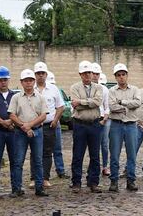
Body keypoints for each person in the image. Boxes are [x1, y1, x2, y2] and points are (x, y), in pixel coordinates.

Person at [9, 69, 48, 197]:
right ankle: (16, 188)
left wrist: (30, 125)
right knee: (18, 160)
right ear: (21, 82)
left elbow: (43, 116)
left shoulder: (41, 97)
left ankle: (39, 188)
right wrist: (23, 126)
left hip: (37, 131)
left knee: (38, 160)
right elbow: (12, 115)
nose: (28, 83)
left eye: (31, 80)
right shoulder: (16, 97)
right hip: (20, 132)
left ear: (34, 81)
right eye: (26, 81)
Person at [69, 61, 104, 193]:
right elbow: (75, 105)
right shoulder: (74, 88)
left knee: (95, 155)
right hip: (80, 124)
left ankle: (93, 182)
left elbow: (98, 102)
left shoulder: (98, 88)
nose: (87, 75)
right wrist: (88, 103)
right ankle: (76, 182)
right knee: (78, 154)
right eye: (84, 73)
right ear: (80, 74)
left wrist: (82, 102)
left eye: (89, 72)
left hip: (94, 124)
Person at [107, 63, 141, 192]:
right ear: (115, 77)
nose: (121, 77)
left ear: (127, 75)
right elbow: (112, 107)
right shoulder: (111, 91)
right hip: (116, 124)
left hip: (131, 124)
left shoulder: (135, 90)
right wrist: (127, 106)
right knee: (114, 154)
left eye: (123, 74)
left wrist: (122, 102)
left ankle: (131, 180)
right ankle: (114, 181)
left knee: (131, 154)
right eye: (118, 75)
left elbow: (137, 103)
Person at [33, 62, 64, 187]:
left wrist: (55, 120)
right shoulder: (30, 87)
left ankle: (45, 178)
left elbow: (60, 106)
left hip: (49, 125)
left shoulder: (53, 88)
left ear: (46, 74)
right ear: (35, 75)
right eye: (38, 73)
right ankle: (34, 178)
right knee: (35, 153)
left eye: (42, 73)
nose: (40, 76)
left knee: (47, 152)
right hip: (34, 125)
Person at [91, 64, 111, 177]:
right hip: (92, 119)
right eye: (93, 73)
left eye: (97, 74)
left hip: (104, 119)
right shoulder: (88, 89)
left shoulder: (104, 89)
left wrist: (104, 119)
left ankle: (105, 166)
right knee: (93, 145)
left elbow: (107, 107)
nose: (95, 76)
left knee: (104, 143)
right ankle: (94, 166)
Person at [47, 70, 67, 178]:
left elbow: (61, 106)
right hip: (44, 123)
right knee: (45, 151)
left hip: (56, 122)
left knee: (57, 149)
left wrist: (55, 120)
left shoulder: (55, 91)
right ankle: (45, 172)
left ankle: (60, 170)